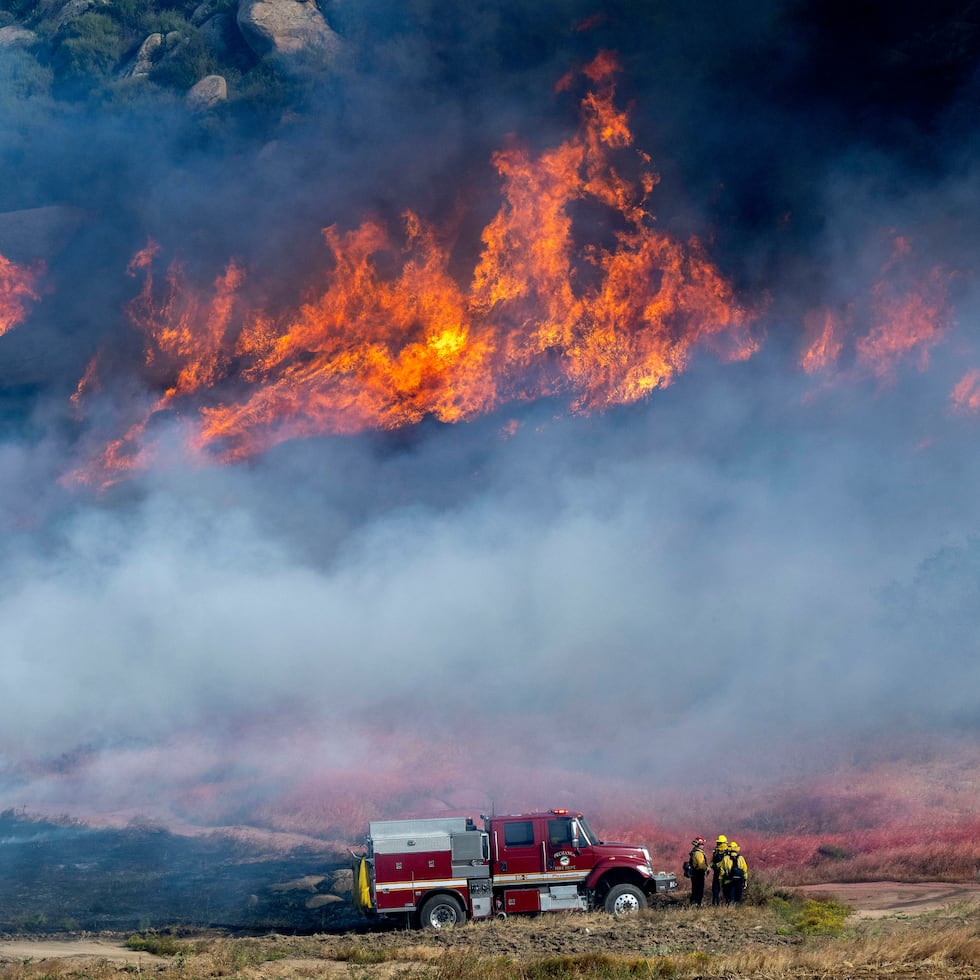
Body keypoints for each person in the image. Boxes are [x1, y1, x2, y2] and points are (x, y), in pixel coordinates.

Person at [721, 840, 748, 905]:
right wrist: (745, 881)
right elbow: (745, 870)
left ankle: (730, 910)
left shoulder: (725, 858)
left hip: (729, 881)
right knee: (738, 898)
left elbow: (722, 871)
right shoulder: (741, 858)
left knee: (730, 899)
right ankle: (737, 911)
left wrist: (721, 882)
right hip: (739, 881)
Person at [687, 836, 709, 906]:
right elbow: (701, 865)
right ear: (698, 844)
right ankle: (697, 903)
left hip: (695, 874)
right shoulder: (698, 853)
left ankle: (693, 902)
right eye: (702, 844)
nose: (703, 845)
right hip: (698, 873)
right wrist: (707, 868)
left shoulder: (694, 852)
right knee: (699, 889)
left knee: (695, 889)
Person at [710, 835, 728, 906]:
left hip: (725, 875)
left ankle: (727, 905)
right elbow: (712, 861)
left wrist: (717, 865)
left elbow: (725, 862)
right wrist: (711, 865)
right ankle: (715, 904)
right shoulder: (716, 852)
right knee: (715, 890)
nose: (718, 845)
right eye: (718, 843)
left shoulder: (727, 852)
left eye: (720, 843)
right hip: (716, 873)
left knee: (726, 890)